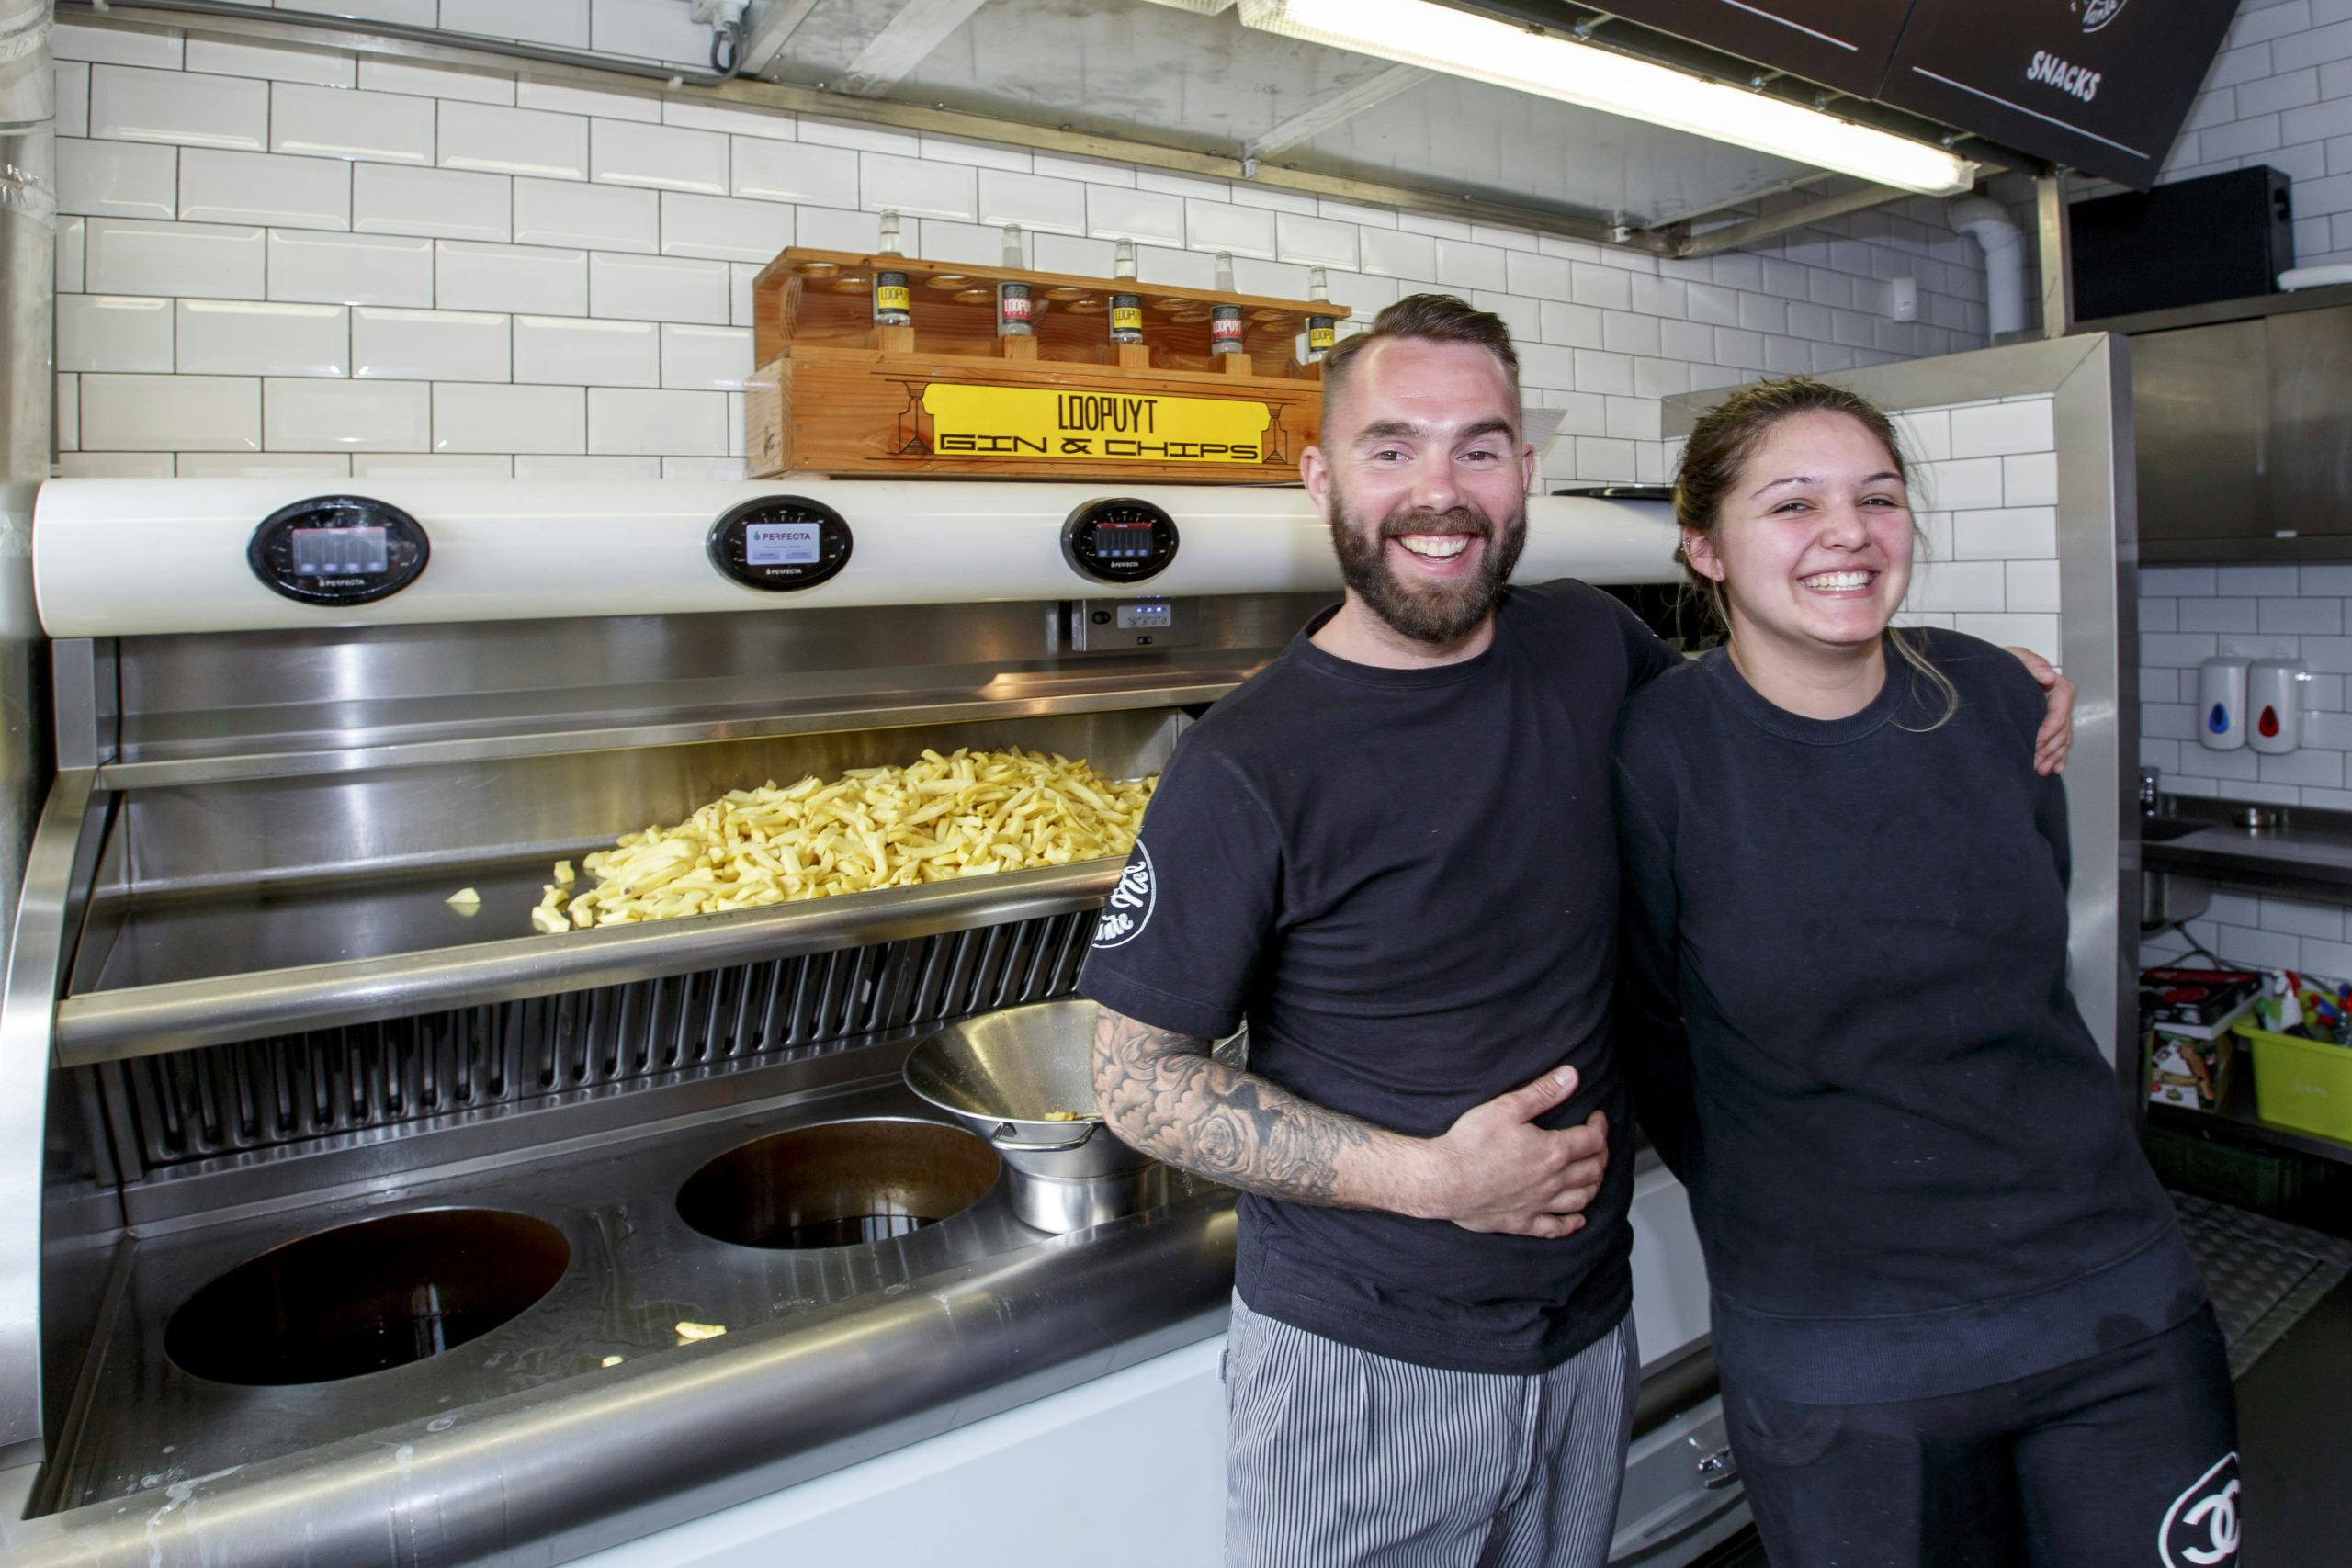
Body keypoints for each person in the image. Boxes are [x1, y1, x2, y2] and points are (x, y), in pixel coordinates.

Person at [1079, 296, 2075, 1568]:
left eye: (1479, 447)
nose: (1439, 492)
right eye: (1393, 449)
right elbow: (1137, 1080)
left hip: (1585, 1329)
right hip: (1369, 1354)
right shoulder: (1248, 763)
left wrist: (1979, 677)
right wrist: (1430, 1179)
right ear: (1322, 476)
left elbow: (1773, 712)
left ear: (1525, 472)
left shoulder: (1587, 644)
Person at [1611, 377, 2237, 1568]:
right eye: (1793, 504)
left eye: (1879, 497)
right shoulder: (1659, 755)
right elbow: (1653, 1030)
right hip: (1845, 1353)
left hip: (2108, 1309)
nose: (1848, 530)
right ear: (1706, 548)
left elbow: (2023, 957)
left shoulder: (1995, 698)